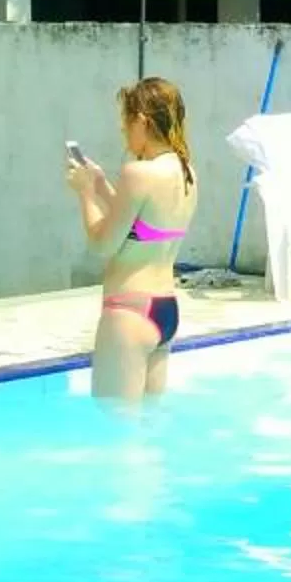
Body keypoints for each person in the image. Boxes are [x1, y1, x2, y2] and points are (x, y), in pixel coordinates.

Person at [69, 77, 196, 403]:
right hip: (165, 310)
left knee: (113, 425)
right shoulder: (187, 174)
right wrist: (100, 185)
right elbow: (142, 230)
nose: (124, 133)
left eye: (125, 125)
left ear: (141, 120)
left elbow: (102, 243)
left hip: (129, 311)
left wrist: (84, 194)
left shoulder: (138, 173)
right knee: (150, 422)